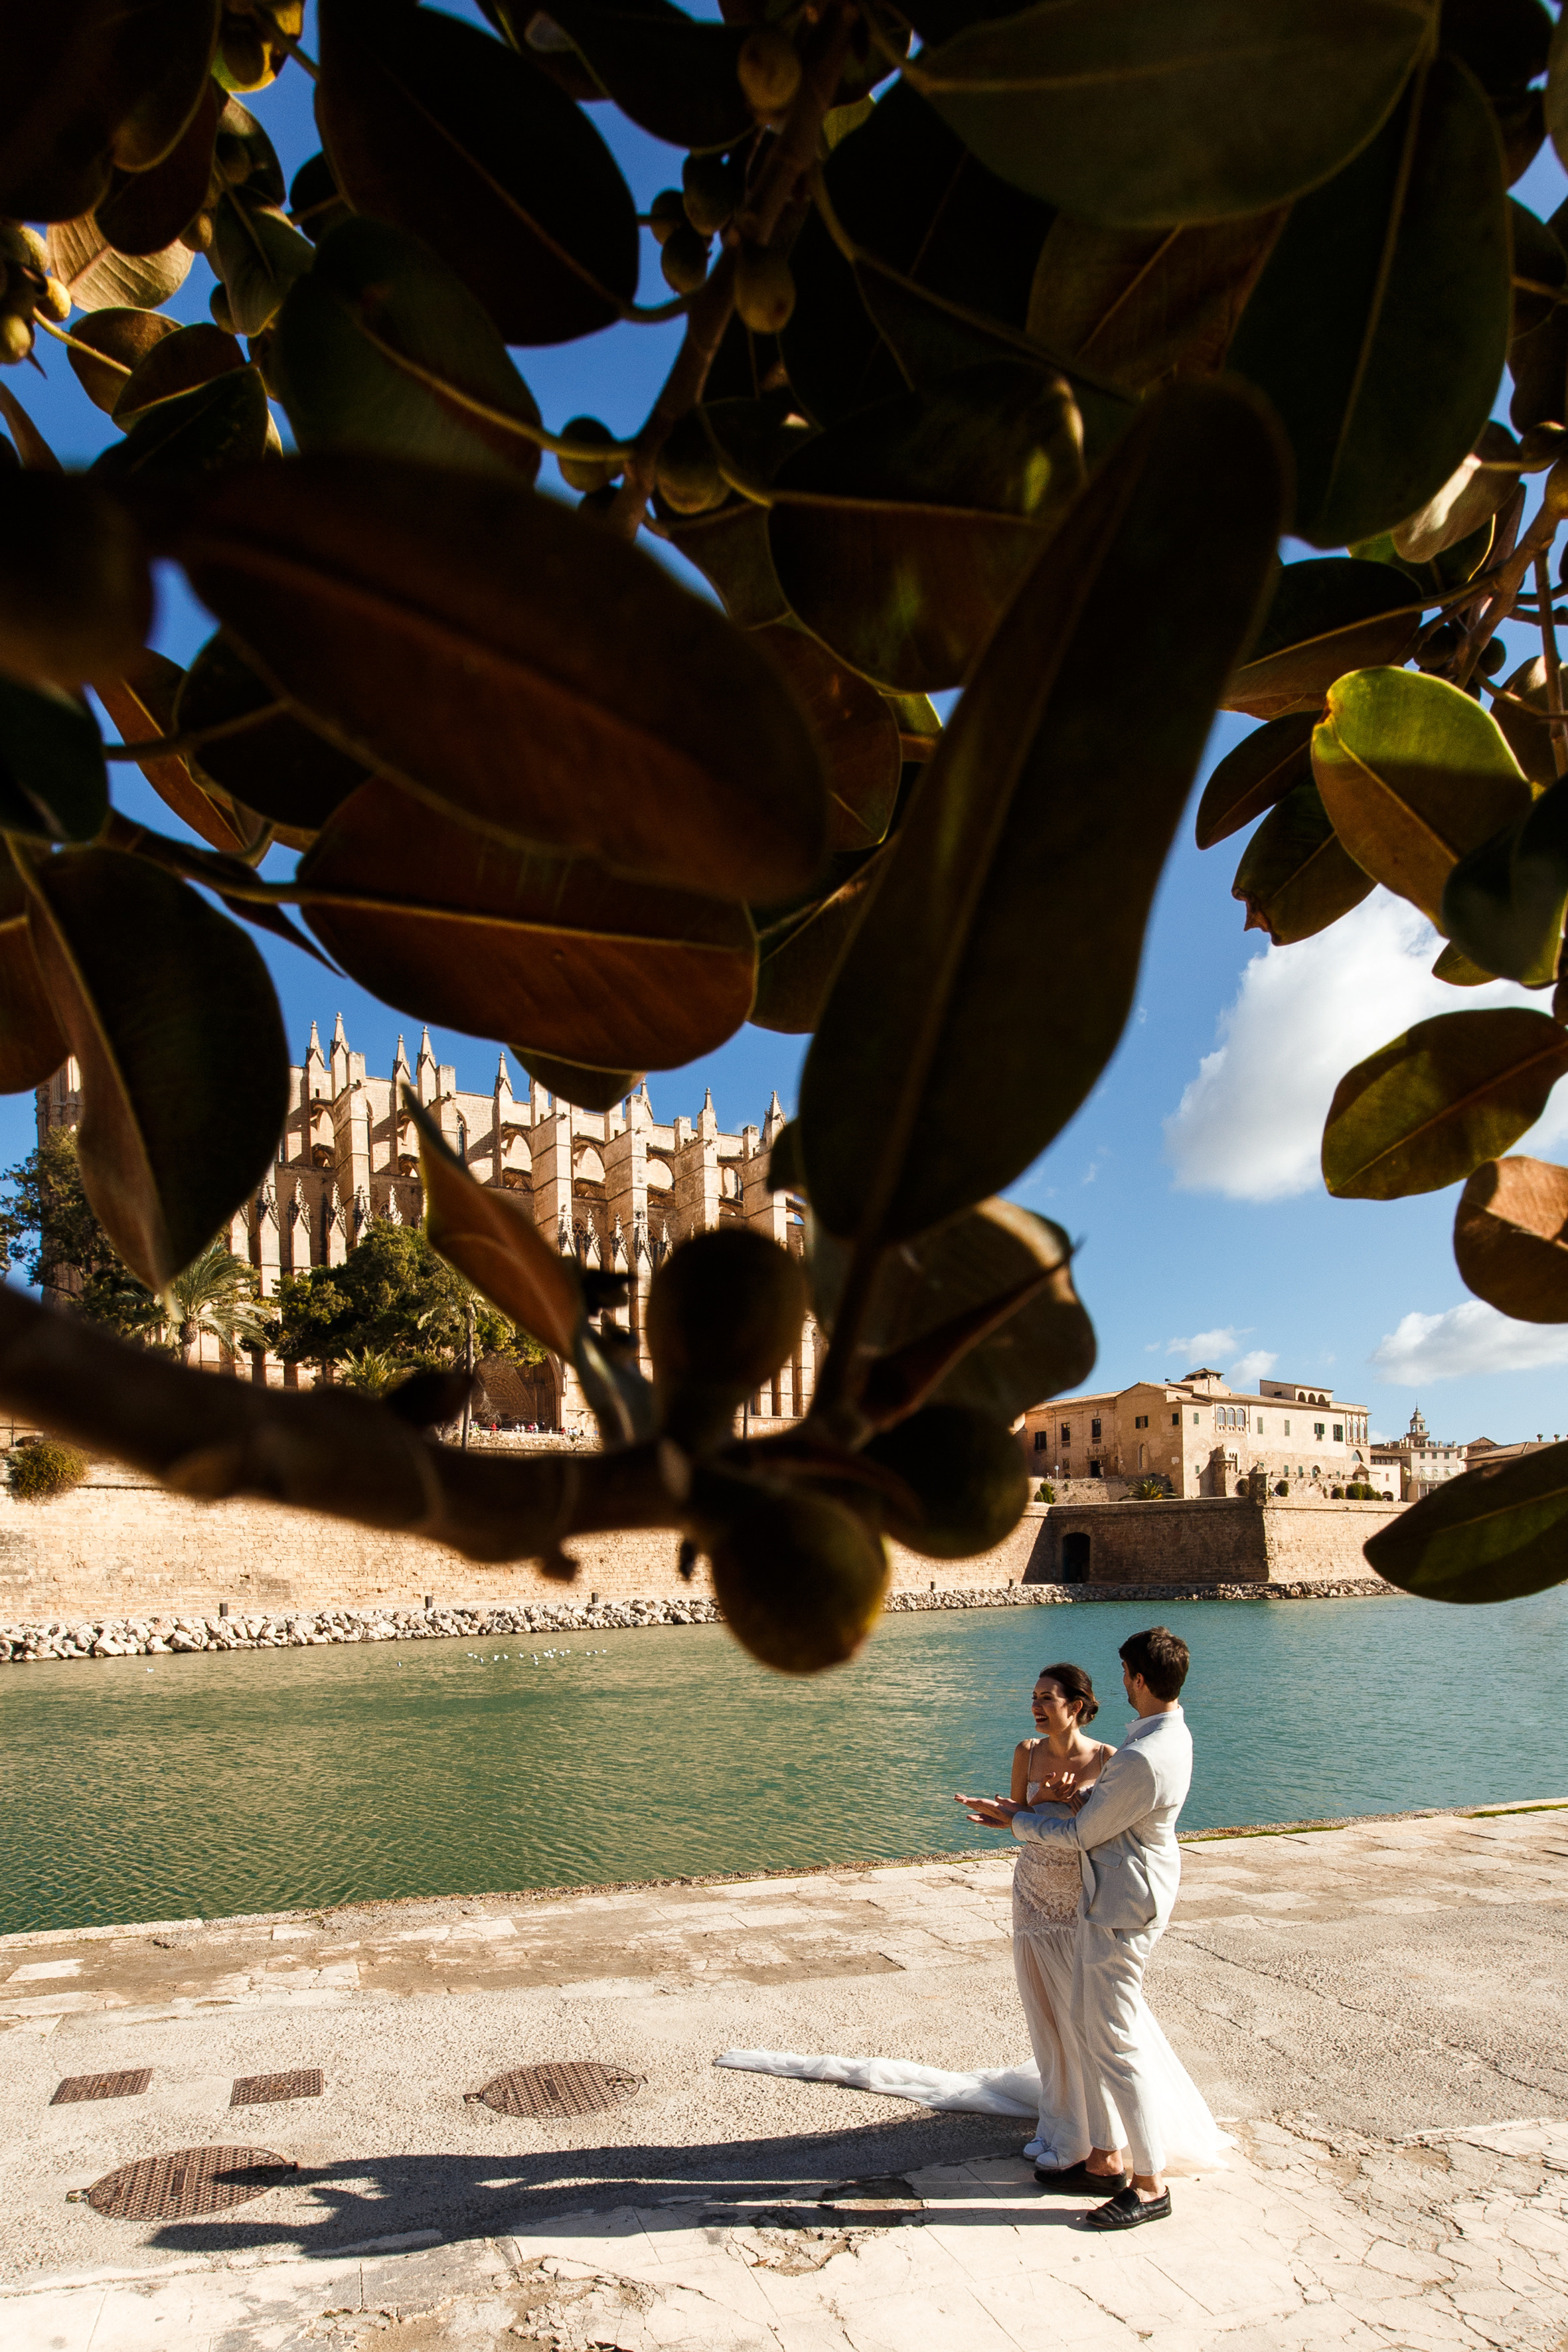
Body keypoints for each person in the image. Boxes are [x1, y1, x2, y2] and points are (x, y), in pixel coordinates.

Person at [961, 1625, 1223, 2232]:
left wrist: (1020, 1820)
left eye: (1125, 1672)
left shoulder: (1138, 1755)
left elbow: (1083, 1836)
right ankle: (1103, 2157)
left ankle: (1149, 2181)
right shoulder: (1166, 1736)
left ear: (1135, 1675)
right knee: (1086, 2026)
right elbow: (1112, 1819)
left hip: (1119, 1908)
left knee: (1113, 2042)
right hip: (1115, 1897)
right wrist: (1072, 1804)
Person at [996, 1663, 1115, 2174]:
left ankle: (1093, 2132)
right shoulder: (1026, 1751)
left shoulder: (1109, 1759)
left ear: (1077, 1704)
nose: (1037, 1707)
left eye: (1047, 1697)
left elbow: (1108, 1833)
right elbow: (1016, 1819)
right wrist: (1038, 1801)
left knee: (1079, 2015)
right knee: (1042, 2009)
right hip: (1031, 1891)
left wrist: (1075, 1801)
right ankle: (1056, 2122)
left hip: (1077, 1898)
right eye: (1034, 1697)